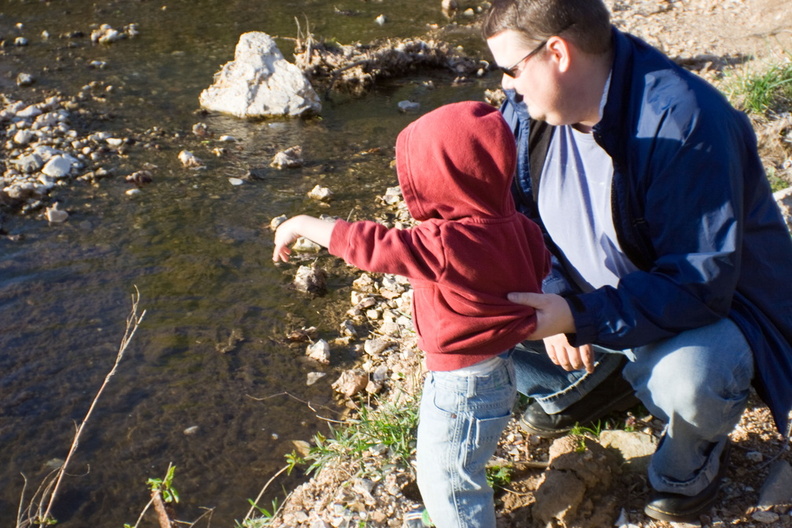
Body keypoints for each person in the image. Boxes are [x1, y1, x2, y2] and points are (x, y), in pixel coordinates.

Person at [482, 0, 792, 522]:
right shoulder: (530, 113)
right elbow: (517, 212)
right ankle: (604, 384)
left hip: (699, 314)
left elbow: (699, 284)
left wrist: (575, 317)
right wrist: (552, 288)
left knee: (695, 377)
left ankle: (686, 467)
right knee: (460, 308)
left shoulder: (683, 122)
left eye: (512, 70)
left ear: (557, 52)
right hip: (594, 304)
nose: (508, 87)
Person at [273, 101, 551, 528]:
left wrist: (300, 222)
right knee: (455, 462)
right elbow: (540, 274)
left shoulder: (445, 242)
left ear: (443, 177)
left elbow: (371, 245)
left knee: (447, 478)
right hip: (496, 372)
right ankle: (448, 515)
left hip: (463, 385)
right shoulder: (517, 225)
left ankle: (455, 518)